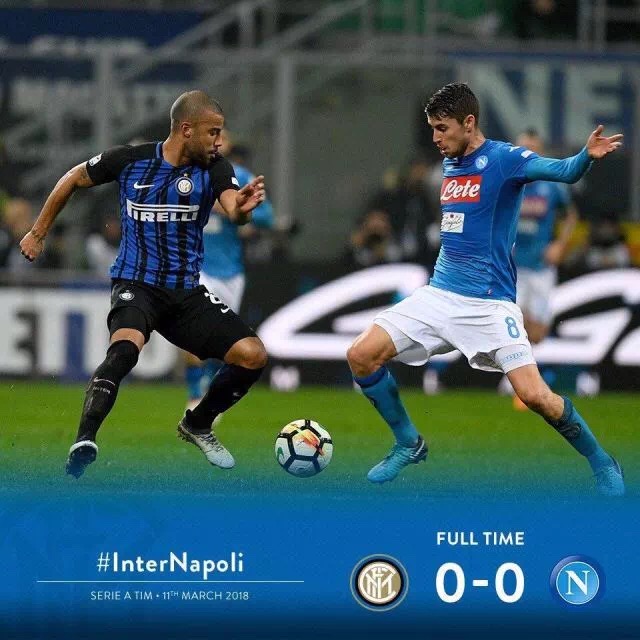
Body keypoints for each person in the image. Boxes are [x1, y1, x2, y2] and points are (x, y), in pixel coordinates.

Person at [346, 82, 625, 496]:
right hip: (439, 294)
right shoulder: (450, 163)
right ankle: (408, 443)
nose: (435, 138)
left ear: (469, 122)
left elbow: (564, 172)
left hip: (489, 305)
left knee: (536, 397)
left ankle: (602, 462)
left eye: (442, 128)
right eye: (432, 129)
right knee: (361, 355)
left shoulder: (505, 159)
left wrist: (585, 156)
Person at [20, 90, 268, 478]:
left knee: (252, 355)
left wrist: (243, 209)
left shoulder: (215, 168)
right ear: (186, 129)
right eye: (213, 132)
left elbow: (232, 207)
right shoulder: (130, 160)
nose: (219, 141)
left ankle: (198, 423)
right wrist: (38, 232)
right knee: (124, 350)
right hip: (137, 284)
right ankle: (84, 440)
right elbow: (73, 178)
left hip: (185, 293)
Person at [185, 131, 273, 409]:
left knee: (220, 339)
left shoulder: (240, 176)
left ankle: (208, 391)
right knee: (193, 330)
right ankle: (194, 395)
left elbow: (267, 215)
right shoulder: (187, 173)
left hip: (230, 271)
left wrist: (235, 210)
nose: (215, 142)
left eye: (220, 136)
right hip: (196, 265)